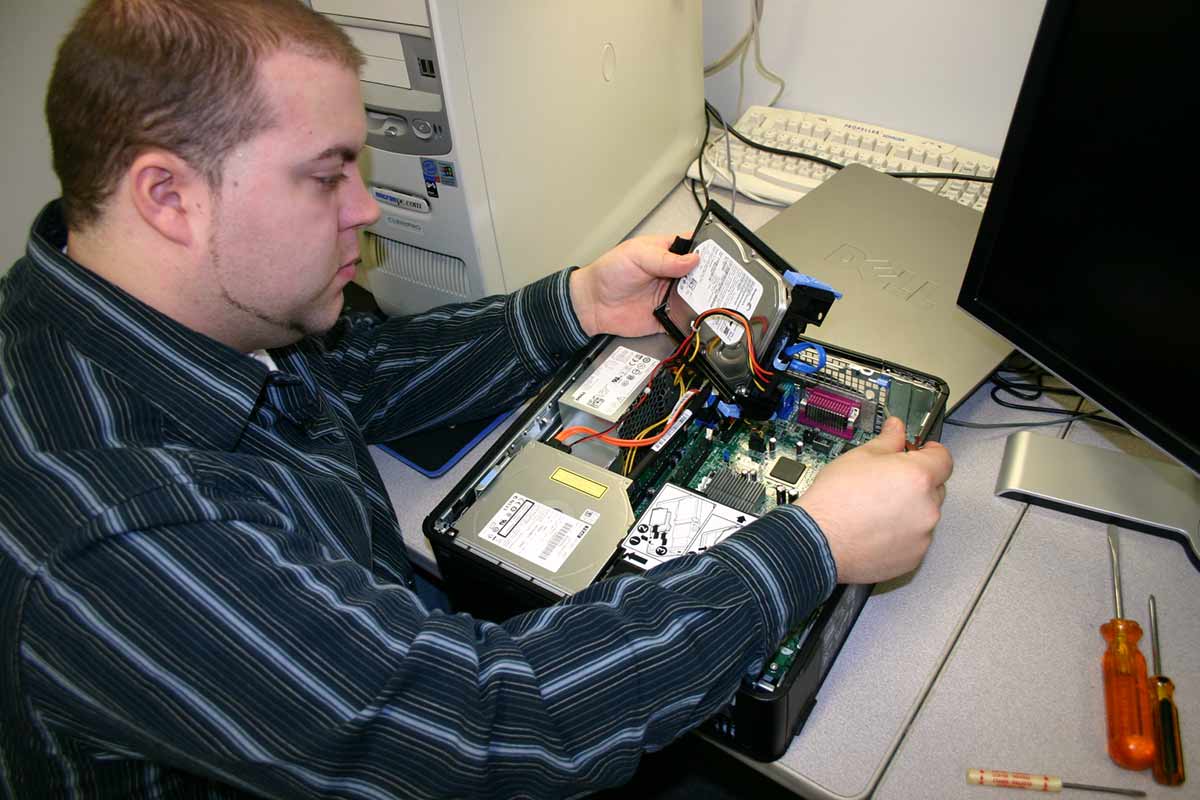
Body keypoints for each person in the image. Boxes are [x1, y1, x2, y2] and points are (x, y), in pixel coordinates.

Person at [0, 1, 953, 797]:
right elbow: (482, 735)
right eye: (327, 175)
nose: (367, 208)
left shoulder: (146, 308)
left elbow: (355, 373)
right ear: (168, 197)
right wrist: (810, 546)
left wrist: (576, 305)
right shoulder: (105, 531)